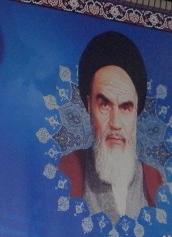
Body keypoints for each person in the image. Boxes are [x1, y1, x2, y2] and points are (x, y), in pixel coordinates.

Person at [57, 31, 162, 224]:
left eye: (125, 107)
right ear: (89, 106)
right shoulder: (66, 171)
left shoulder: (157, 181)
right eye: (105, 105)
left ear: (136, 111)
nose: (115, 123)